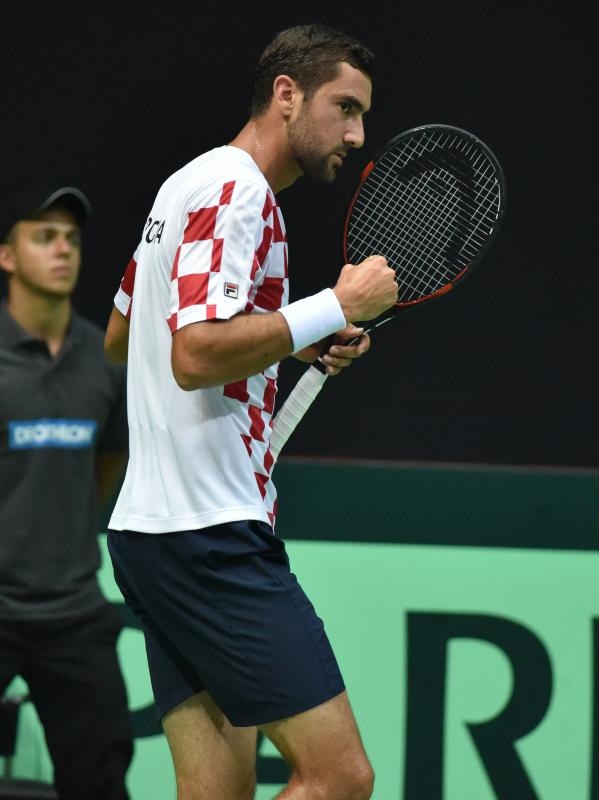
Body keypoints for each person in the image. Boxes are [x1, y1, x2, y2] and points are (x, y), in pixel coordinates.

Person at [105, 23, 398, 800]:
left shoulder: (182, 187)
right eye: (344, 108)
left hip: (147, 535)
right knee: (339, 776)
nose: (356, 134)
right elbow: (194, 353)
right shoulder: (241, 193)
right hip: (209, 535)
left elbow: (123, 336)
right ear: (286, 93)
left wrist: (290, 343)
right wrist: (333, 303)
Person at [0, 185, 134, 799]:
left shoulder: (105, 358)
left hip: (74, 615)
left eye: (72, 240)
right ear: (7, 256)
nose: (63, 251)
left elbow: (109, 458)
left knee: (100, 786)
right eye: (44, 236)